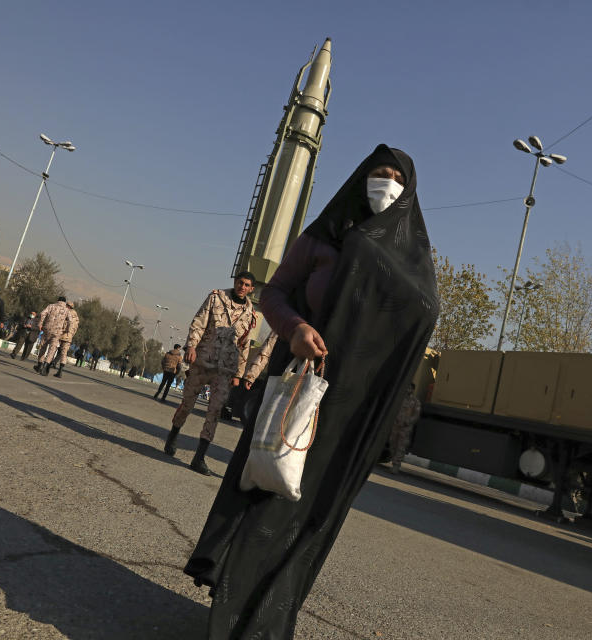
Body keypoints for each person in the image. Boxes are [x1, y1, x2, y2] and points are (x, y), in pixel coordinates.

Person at [183, 145, 438, 637]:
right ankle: (230, 615)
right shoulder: (327, 235)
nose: (385, 183)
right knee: (268, 492)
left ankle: (267, 624)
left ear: (410, 193)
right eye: (377, 174)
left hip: (352, 413)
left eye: (395, 178)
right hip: (300, 390)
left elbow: (421, 318)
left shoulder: (414, 260)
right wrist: (296, 327)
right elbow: (273, 292)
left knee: (309, 516)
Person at [163, 272, 257, 475]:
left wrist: (239, 374)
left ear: (251, 289)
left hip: (225, 370)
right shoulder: (216, 298)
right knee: (187, 404)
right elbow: (199, 322)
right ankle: (173, 434)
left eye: (246, 284)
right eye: (240, 282)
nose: (242, 286)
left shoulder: (250, 314)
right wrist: (191, 347)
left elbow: (244, 345)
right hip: (203, 361)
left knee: (214, 412)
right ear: (235, 282)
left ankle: (199, 458)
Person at [388, 383, 422, 473]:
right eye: (407, 388)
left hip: (405, 428)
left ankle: (396, 465)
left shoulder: (415, 402)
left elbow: (416, 415)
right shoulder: (399, 399)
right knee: (392, 444)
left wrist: (408, 422)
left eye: (410, 388)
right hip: (396, 425)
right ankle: (393, 461)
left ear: (413, 390)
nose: (408, 390)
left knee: (401, 447)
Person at [34, 296, 70, 376]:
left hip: (47, 329)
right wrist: (66, 330)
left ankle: (39, 365)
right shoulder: (67, 310)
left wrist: (40, 324)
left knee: (43, 347)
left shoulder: (51, 306)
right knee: (52, 350)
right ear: (64, 302)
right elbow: (70, 321)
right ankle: (45, 367)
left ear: (58, 300)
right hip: (57, 332)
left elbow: (43, 313)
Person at [51, 301, 80, 379]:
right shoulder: (76, 316)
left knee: (53, 349)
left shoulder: (66, 312)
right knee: (64, 353)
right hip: (69, 337)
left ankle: (47, 365)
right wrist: (71, 335)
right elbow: (76, 328)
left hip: (61, 334)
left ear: (67, 306)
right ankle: (60, 371)